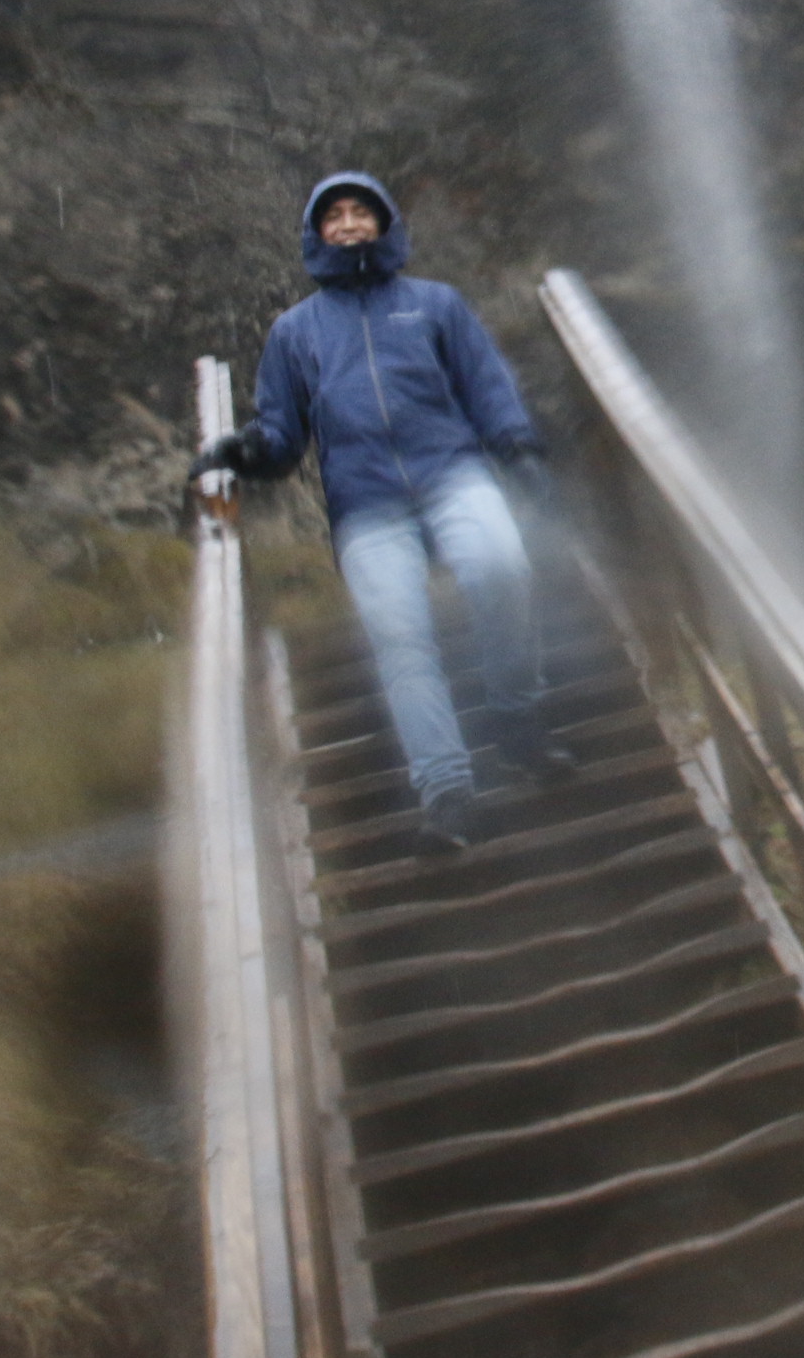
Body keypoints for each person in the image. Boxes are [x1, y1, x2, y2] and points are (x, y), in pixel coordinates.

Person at [191, 171, 576, 851]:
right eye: (332, 216)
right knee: (401, 639)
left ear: (383, 223)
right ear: (316, 234)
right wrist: (242, 450)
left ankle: (514, 718)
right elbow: (282, 434)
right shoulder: (295, 332)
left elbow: (486, 384)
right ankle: (447, 789)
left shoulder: (435, 305)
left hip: (452, 472)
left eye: (358, 212)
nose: (346, 224)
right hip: (366, 504)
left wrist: (517, 447)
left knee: (501, 568)